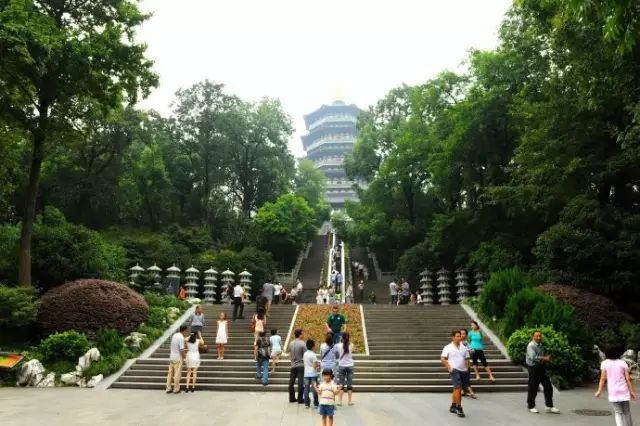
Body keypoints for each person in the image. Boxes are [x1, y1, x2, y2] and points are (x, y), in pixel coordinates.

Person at [595, 345, 637, 426]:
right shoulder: (623, 363)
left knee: (618, 413)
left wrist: (599, 391)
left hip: (613, 391)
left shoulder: (604, 363)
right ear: (618, 353)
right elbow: (628, 379)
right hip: (623, 390)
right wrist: (632, 392)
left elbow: (603, 379)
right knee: (627, 412)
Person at [526, 330, 560, 414]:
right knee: (533, 387)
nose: (539, 337)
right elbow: (533, 357)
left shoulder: (540, 345)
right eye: (537, 336)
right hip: (533, 368)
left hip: (541, 368)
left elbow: (541, 357)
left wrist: (546, 359)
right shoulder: (531, 345)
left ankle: (549, 406)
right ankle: (531, 406)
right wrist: (544, 358)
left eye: (540, 336)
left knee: (548, 386)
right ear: (533, 337)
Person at [441, 329, 470, 418]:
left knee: (456, 388)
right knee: (458, 388)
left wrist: (467, 368)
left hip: (463, 370)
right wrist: (449, 367)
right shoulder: (448, 347)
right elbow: (443, 358)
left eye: (460, 336)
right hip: (454, 370)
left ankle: (453, 406)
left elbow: (467, 358)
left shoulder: (464, 347)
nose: (459, 337)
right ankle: (459, 407)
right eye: (457, 336)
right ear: (453, 337)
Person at [165, 325, 188, 394]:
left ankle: (168, 388)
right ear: (184, 330)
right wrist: (185, 357)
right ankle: (176, 389)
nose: (186, 332)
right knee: (177, 374)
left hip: (172, 356)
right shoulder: (181, 338)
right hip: (178, 357)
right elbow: (181, 349)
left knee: (170, 373)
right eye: (186, 331)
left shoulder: (174, 335)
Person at [335, 332, 355, 406]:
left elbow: (336, 352)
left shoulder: (338, 345)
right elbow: (352, 350)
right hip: (350, 365)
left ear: (342, 338)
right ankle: (350, 401)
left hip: (341, 366)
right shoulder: (352, 345)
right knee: (349, 384)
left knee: (341, 384)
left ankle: (340, 401)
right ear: (349, 337)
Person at [289, 328, 306, 403]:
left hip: (293, 365)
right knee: (300, 382)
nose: (303, 335)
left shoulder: (291, 343)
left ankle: (291, 398)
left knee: (291, 382)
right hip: (301, 365)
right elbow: (305, 355)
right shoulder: (303, 344)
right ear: (299, 334)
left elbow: (290, 354)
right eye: (302, 333)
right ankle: (300, 399)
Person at [459, 328, 477, 399]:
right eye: (461, 334)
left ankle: (463, 391)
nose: (462, 335)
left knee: (466, 378)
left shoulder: (466, 343)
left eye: (464, 334)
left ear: (466, 335)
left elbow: (472, 351)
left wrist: (471, 351)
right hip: (459, 365)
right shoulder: (457, 343)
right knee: (463, 379)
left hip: (467, 364)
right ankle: (470, 392)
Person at [303, 339, 320, 408]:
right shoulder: (313, 355)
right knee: (314, 389)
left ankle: (307, 404)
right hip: (313, 373)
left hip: (306, 373)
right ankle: (316, 404)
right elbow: (315, 365)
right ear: (313, 346)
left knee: (306, 389)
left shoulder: (305, 354)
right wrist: (318, 365)